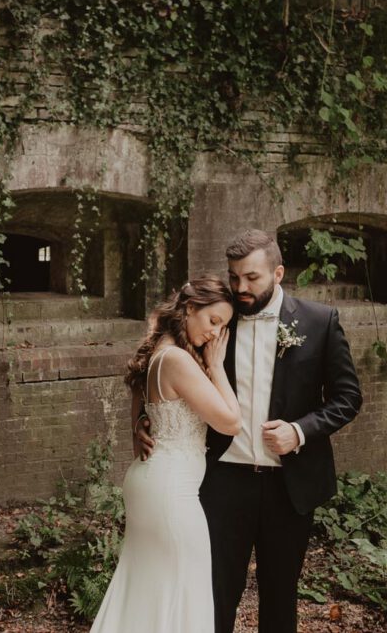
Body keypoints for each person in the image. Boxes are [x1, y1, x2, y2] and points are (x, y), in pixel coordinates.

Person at [136, 229, 363, 633]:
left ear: (277, 273)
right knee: (214, 594)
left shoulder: (319, 321)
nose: (241, 287)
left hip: (289, 486)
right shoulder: (219, 316)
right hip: (222, 480)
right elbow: (154, 358)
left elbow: (348, 398)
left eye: (251, 278)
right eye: (234, 276)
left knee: (280, 597)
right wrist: (143, 420)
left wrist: (300, 430)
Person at [90, 276, 241, 633]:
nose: (215, 334)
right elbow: (231, 422)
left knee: (147, 594)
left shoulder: (161, 347)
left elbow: (138, 402)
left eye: (223, 326)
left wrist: (138, 424)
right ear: (190, 308)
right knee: (182, 596)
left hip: (153, 483)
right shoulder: (176, 359)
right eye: (213, 321)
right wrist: (217, 366)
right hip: (171, 494)